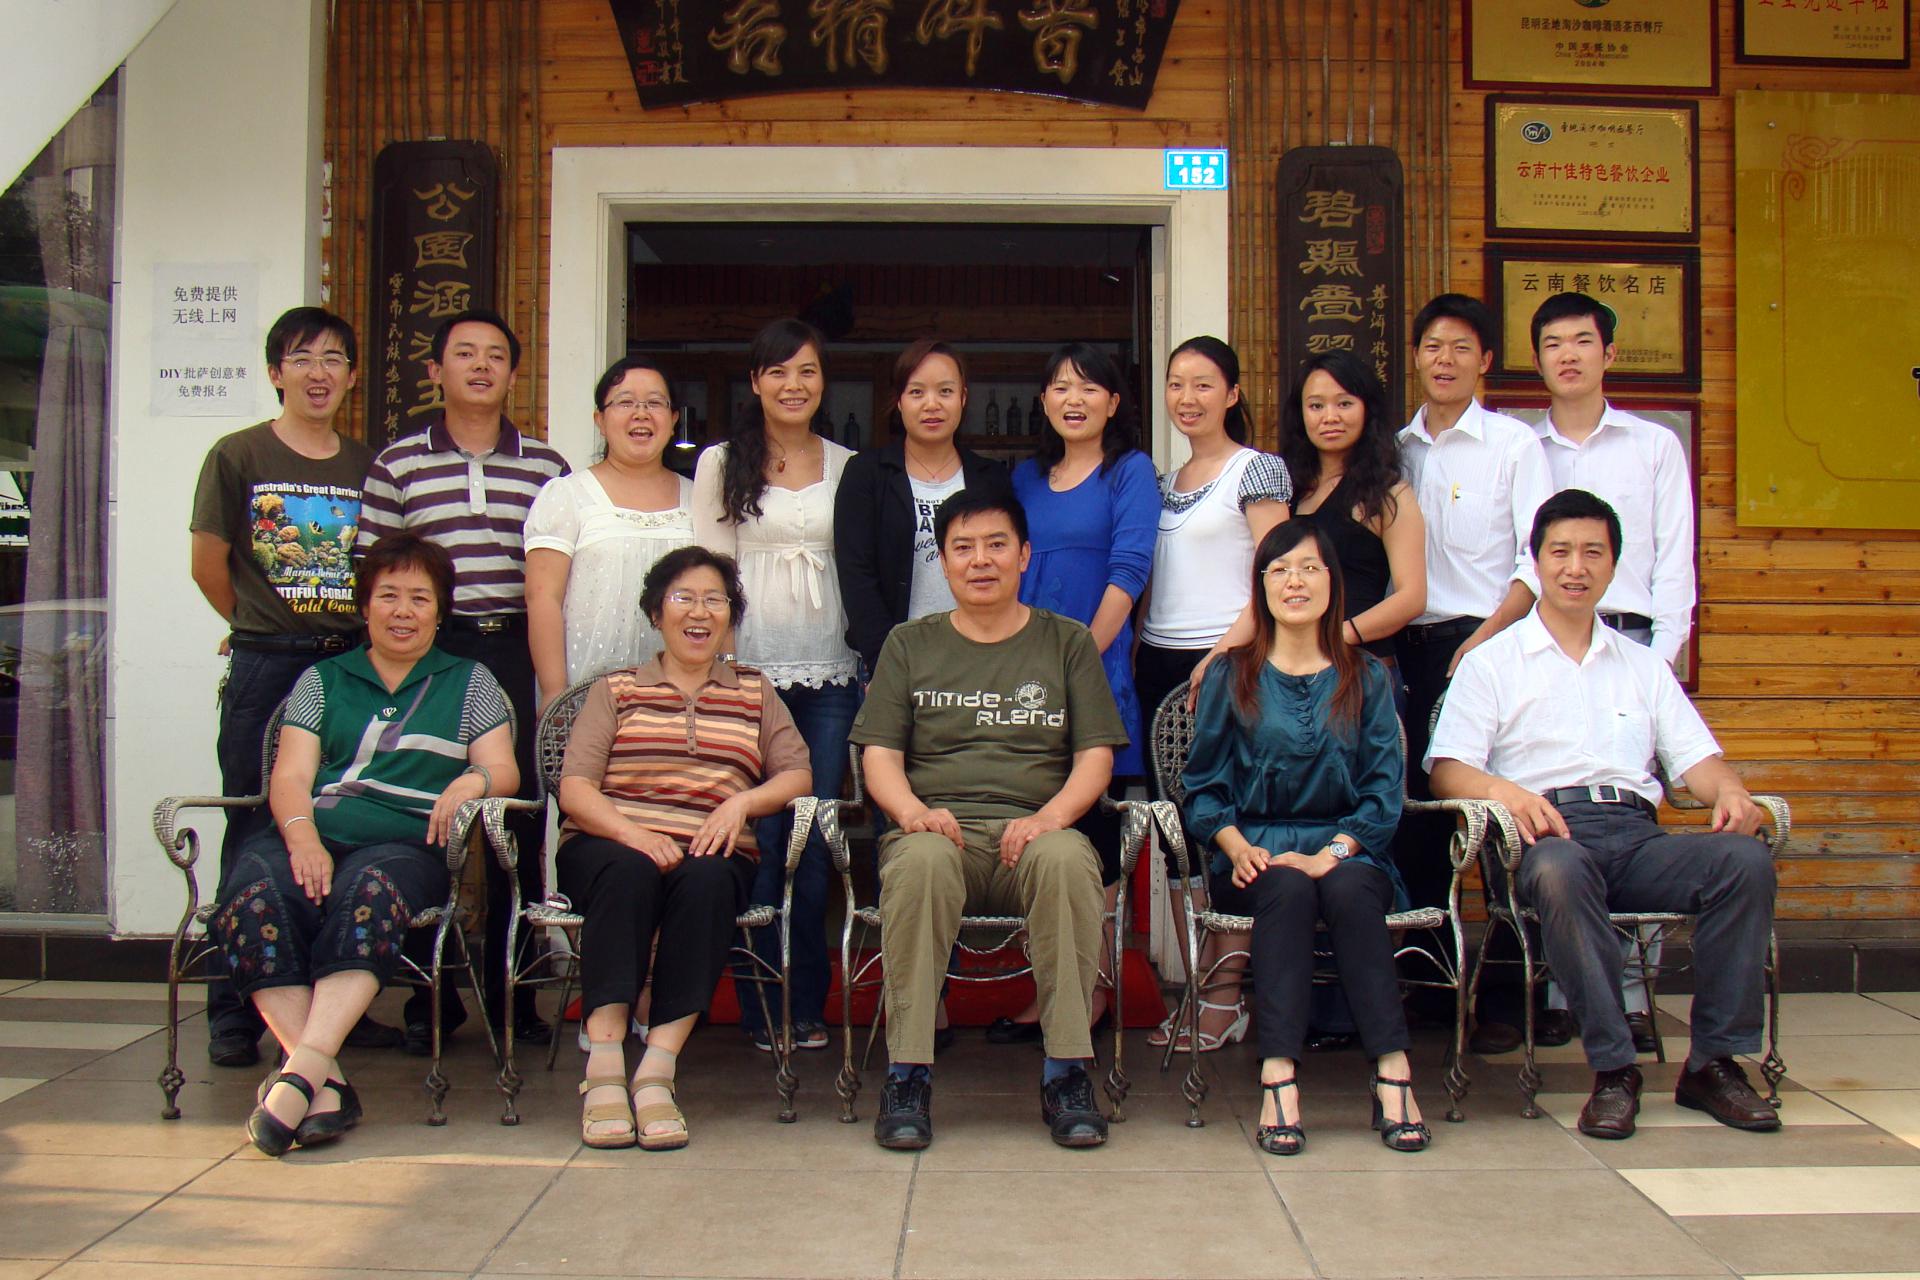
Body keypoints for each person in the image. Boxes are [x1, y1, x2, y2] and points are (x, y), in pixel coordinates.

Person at [1428, 489, 1779, 1140]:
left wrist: (1730, 791)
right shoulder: (1491, 662)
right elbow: (1446, 768)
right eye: (1560, 551)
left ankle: (1713, 1063)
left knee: (1743, 861)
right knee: (1562, 871)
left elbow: (1698, 762)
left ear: (1614, 565)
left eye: (1593, 553)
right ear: (1535, 561)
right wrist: (1507, 793)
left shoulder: (1642, 665)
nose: (1576, 567)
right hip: (1544, 840)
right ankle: (1615, 1070)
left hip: (1637, 838)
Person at [212, 533, 517, 1156]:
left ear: (441, 611)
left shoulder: (470, 682)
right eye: (388, 596)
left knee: (368, 895)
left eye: (420, 598)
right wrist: (303, 838)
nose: (403, 611)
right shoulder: (324, 679)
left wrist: (473, 781)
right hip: (314, 830)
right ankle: (319, 1078)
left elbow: (503, 769)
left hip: (405, 843)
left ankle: (301, 1074)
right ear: (365, 605)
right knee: (252, 892)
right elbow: (291, 778)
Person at [853, 489, 1129, 1150]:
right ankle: (907, 1075)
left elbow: (1095, 757)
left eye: (997, 545)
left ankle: (1068, 1073)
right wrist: (913, 812)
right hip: (937, 833)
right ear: (944, 562)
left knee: (1067, 860)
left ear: (1025, 555)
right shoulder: (908, 644)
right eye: (964, 548)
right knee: (919, 861)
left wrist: (1050, 818)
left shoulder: (1066, 642)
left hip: (1033, 835)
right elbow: (879, 756)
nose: (981, 561)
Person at [356, 307, 569, 1052]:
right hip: (429, 656)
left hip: (514, 650)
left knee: (519, 819)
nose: (481, 367)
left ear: (514, 374)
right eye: (465, 354)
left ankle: (518, 994)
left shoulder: (547, 467)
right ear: (435, 370)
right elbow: (376, 572)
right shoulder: (398, 464)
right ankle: (429, 999)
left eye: (495, 356)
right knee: (425, 814)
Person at [1181, 520, 1426, 1155]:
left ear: (1333, 583)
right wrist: (1235, 846)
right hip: (1254, 853)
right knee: (1285, 887)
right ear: (1261, 586)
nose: (1296, 581)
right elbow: (1202, 787)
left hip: (1350, 849)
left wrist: (1333, 852)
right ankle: (1278, 1075)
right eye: (1280, 569)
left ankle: (1393, 1070)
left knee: (1347, 890)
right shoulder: (1232, 674)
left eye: (1310, 568)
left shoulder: (1366, 675)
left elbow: (1384, 791)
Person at [556, 546, 811, 1149]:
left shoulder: (754, 691)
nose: (699, 612)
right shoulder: (616, 689)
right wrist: (634, 834)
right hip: (610, 843)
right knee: (628, 873)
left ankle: (657, 1070)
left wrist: (741, 804)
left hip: (710, 848)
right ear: (656, 613)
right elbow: (575, 789)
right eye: (683, 598)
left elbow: (797, 774)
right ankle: (604, 1066)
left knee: (708, 881)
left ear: (730, 616)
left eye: (714, 600)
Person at [190, 306, 378, 1068]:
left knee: (339, 821)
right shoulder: (238, 455)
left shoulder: (366, 465)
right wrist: (257, 623)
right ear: (275, 372)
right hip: (268, 663)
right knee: (249, 824)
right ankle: (233, 1009)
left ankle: (333, 1007)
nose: (318, 373)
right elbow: (209, 564)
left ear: (352, 376)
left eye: (333, 359)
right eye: (301, 358)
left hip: (350, 662)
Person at [1526, 292, 1697, 1048]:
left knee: (1627, 810)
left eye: (1582, 341)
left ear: (1609, 353)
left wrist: (1653, 666)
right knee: (1556, 809)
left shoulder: (1652, 445)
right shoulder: (1525, 448)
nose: (1568, 355)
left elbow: (1675, 565)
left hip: (1629, 645)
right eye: (1553, 344)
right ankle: (1565, 994)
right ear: (1536, 359)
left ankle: (1630, 997)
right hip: (1544, 641)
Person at [692, 317, 860, 1054]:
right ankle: (759, 1004)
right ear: (756, 381)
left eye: (807, 372)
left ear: (824, 382)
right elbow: (709, 573)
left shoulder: (851, 466)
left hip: (831, 674)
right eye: (778, 372)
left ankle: (807, 1003)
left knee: (812, 833)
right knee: (756, 836)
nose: (794, 385)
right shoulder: (721, 463)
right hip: (747, 676)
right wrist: (723, 671)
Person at [1392, 295, 1555, 1047]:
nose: (1445, 359)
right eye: (1433, 345)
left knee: (1494, 826)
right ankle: (1430, 989)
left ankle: (1510, 1000)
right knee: (1417, 820)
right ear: (1416, 356)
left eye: (1461, 347)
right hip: (1407, 649)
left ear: (1485, 360)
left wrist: (1483, 642)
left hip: (1486, 646)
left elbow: (1535, 560)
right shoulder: (1395, 450)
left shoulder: (1514, 446)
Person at [1136, 336, 1292, 1055]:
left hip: (1228, 664)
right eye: (1176, 384)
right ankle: (1202, 990)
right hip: (1159, 665)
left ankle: (1226, 998)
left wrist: (1225, 654)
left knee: (1228, 827)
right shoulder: (1162, 481)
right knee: (1176, 836)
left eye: (1204, 384)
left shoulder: (1255, 469)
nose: (1187, 397)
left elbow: (1279, 573)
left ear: (1231, 394)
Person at [1001, 342, 1157, 1043]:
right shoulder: (1024, 478)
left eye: (1090, 388)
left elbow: (1128, 572)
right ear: (1042, 400)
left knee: (1092, 833)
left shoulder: (1130, 471)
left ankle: (1091, 990)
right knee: (1037, 827)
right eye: (1061, 386)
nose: (1074, 399)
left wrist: (1078, 659)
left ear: (1114, 402)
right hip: (1025, 675)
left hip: (1094, 671)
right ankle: (1050, 988)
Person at [834, 337, 1012, 680]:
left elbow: (1006, 568)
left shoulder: (990, 479)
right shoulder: (867, 474)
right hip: (894, 661)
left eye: (945, 391)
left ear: (963, 398)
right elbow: (856, 575)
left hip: (979, 659)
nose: (932, 404)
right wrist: (885, 664)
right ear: (899, 401)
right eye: (917, 392)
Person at [526, 356, 694, 708]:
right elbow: (543, 598)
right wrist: (554, 692)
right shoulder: (567, 495)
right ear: (600, 421)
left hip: (681, 699)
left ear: (674, 419)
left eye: (655, 403)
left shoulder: (699, 499)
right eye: (625, 402)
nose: (641, 413)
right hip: (586, 695)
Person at [1277, 351, 1425, 714]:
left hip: (1361, 676)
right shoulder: (1287, 489)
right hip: (1290, 675)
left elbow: (1412, 597)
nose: (1330, 417)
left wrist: (1338, 635)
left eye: (1344, 403)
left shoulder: (1388, 493)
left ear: (1367, 409)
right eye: (1316, 405)